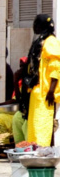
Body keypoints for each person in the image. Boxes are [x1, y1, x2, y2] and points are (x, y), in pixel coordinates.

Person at [20, 13, 60, 147]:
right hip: (37, 92)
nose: (34, 27)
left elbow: (56, 68)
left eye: (36, 24)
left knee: (43, 126)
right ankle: (35, 150)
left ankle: (42, 152)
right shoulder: (42, 41)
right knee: (34, 126)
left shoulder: (51, 42)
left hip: (46, 94)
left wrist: (51, 91)